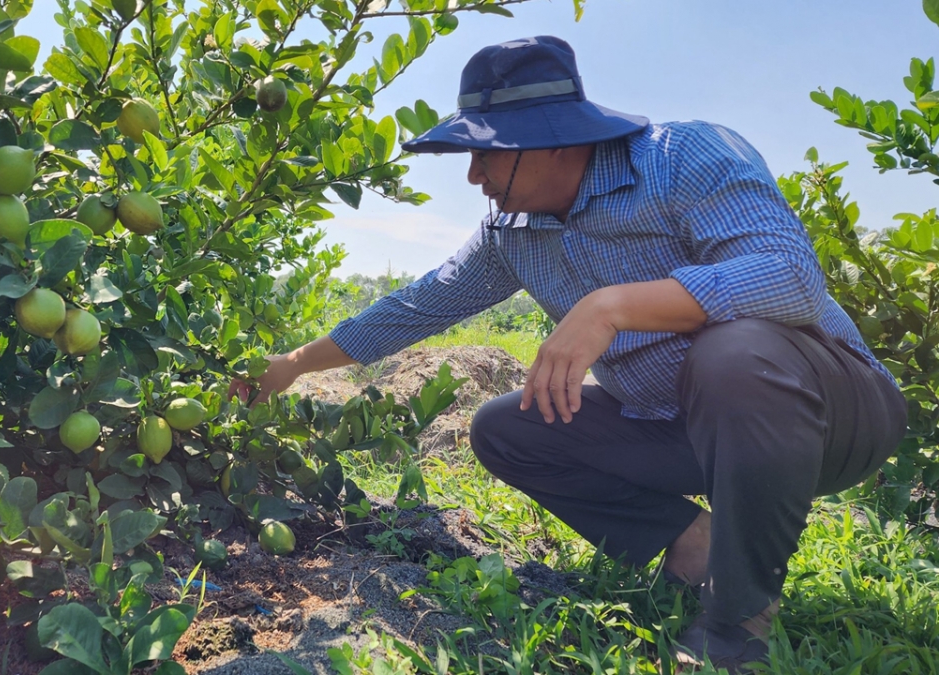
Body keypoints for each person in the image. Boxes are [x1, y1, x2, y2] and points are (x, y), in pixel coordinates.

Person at [228, 35, 906, 673]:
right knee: (507, 428)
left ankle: (739, 617)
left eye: (486, 153)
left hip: (828, 413)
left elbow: (787, 277)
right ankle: (694, 542)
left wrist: (612, 306)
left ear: (550, 142)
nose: (474, 175)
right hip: (680, 426)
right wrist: (291, 363)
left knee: (732, 352)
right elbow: (417, 304)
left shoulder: (685, 158)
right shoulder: (513, 232)